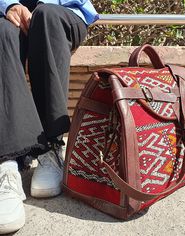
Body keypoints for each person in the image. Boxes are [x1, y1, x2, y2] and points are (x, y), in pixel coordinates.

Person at [0, 0, 98, 234]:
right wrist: (9, 5)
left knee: (46, 17)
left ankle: (51, 149)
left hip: (64, 11)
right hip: (8, 12)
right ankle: (7, 164)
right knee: (2, 32)